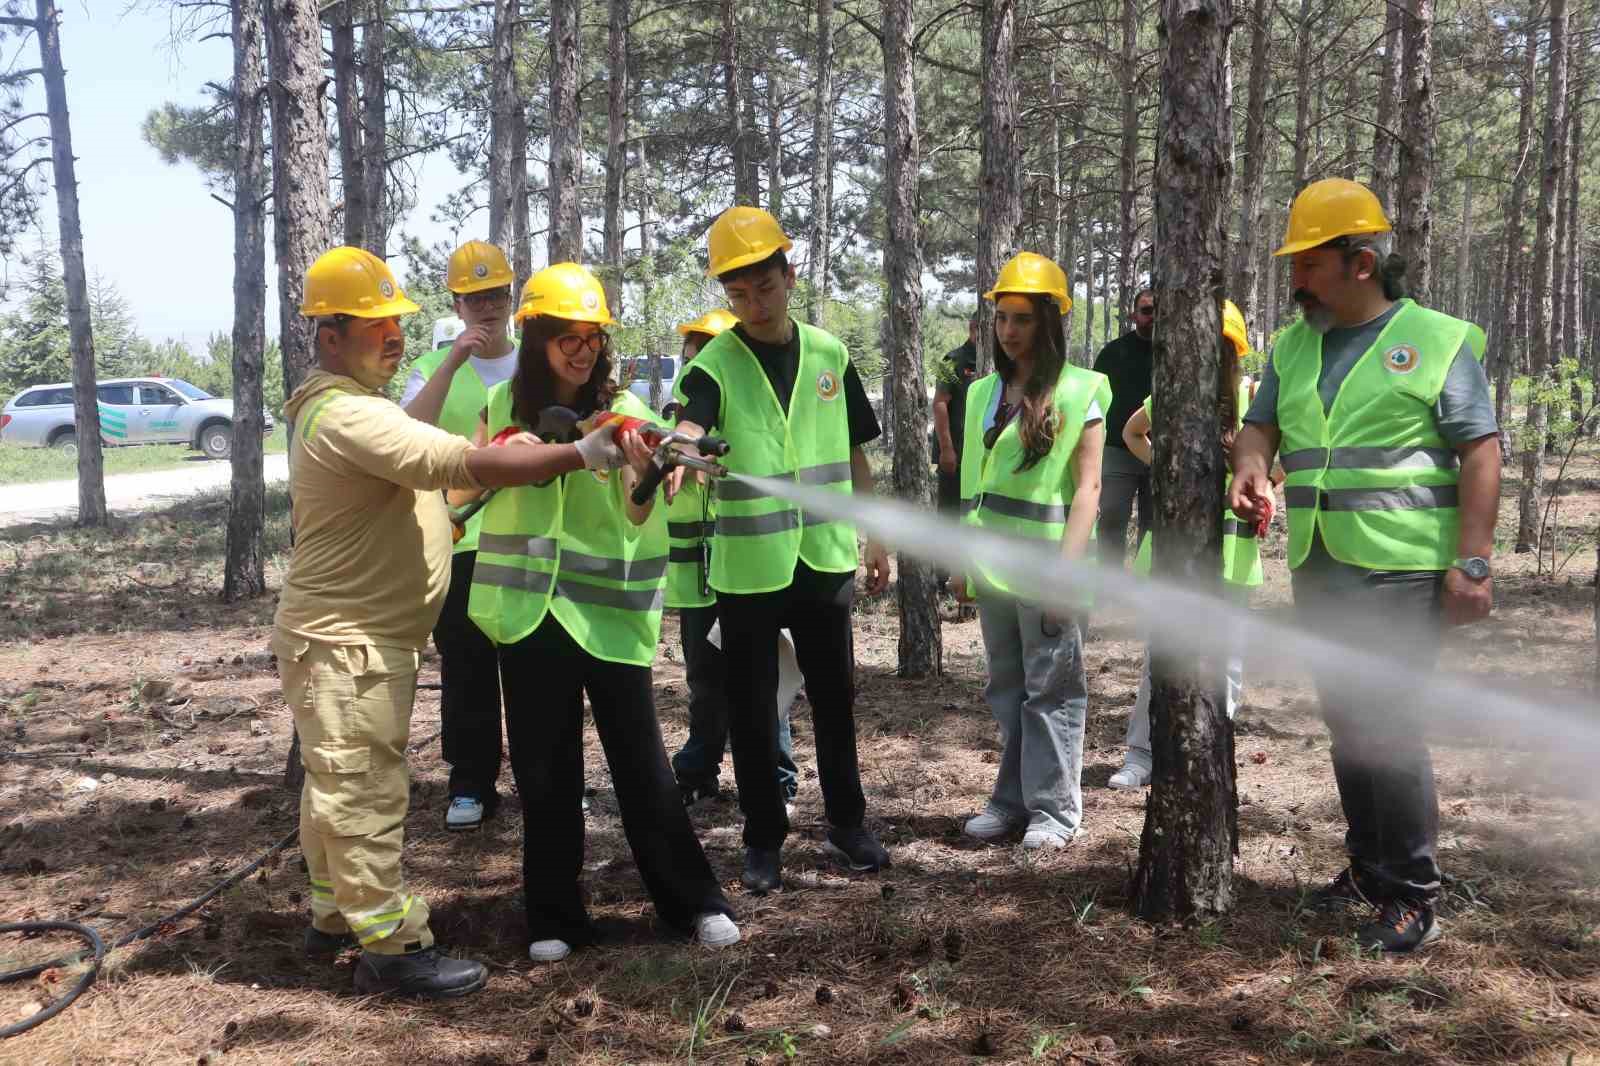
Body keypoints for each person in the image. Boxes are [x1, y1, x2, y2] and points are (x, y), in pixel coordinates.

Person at [274, 246, 624, 998]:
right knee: (363, 789)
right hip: (349, 645)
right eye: (373, 326)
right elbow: (454, 463)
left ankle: (335, 914)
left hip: (356, 640)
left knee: (334, 785)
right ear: (330, 336)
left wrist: (452, 516)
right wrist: (576, 453)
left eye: (396, 322)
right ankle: (394, 946)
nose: (393, 336)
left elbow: (422, 495)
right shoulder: (348, 416)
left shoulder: (346, 409)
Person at [1230, 178, 1499, 953]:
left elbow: (1481, 452)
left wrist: (1472, 564)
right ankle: (1368, 868)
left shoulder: (1439, 339)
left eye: (1309, 263)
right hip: (1319, 559)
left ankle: (1414, 892)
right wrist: (1251, 469)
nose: (1295, 279)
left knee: (1389, 723)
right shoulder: (1293, 345)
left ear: (1361, 261)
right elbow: (1260, 430)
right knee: (1347, 718)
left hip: (1404, 568)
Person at [461, 262, 739, 962]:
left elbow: (640, 507)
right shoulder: (501, 413)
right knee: (543, 772)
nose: (582, 350)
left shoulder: (632, 418)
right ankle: (554, 918)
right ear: (536, 340)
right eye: (565, 337)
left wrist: (652, 468)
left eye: (591, 337)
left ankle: (694, 903)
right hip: (528, 615)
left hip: (608, 616)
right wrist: (530, 450)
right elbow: (477, 469)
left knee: (644, 768)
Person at [671, 205, 893, 893]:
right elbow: (687, 426)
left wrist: (877, 534)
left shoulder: (830, 353)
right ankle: (763, 838)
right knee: (753, 705)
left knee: (835, 698)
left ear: (789, 275)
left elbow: (857, 453)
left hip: (824, 559)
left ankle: (849, 825)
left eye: (763, 287)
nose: (753, 304)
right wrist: (682, 452)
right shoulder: (714, 363)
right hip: (749, 568)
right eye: (737, 294)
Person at [946, 252, 1108, 850]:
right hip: (992, 570)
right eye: (1002, 318)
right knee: (1008, 690)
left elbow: (1089, 489)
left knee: (1052, 692)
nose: (1009, 330)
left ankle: (1056, 810)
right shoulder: (981, 392)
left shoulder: (1080, 389)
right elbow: (971, 488)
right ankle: (1012, 801)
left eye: (1022, 319)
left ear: (1050, 322)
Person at [1108, 299, 1265, 790]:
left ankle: (1212, 746)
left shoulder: (1255, 397)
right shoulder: (1174, 393)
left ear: (1232, 351)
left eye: (1219, 347)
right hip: (1175, 544)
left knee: (1227, 655)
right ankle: (1141, 755)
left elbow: (1285, 455)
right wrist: (1165, 466)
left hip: (1234, 547)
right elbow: (1133, 431)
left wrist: (1262, 482)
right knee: (1163, 652)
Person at [398, 239, 518, 831]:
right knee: (467, 669)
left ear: (511, 295)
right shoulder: (429, 367)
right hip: (458, 540)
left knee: (532, 669)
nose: (487, 309)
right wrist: (451, 361)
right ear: (457, 303)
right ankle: (470, 782)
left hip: (528, 544)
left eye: (495, 294)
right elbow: (404, 434)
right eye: (474, 299)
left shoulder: (533, 364)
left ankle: (546, 777)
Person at [664, 309, 803, 812]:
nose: (699, 358)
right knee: (704, 682)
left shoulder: (757, 434)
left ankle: (777, 780)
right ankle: (699, 771)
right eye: (693, 348)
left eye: (710, 347)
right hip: (698, 585)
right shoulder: (676, 428)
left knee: (763, 683)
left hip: (752, 575)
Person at [1093, 288, 1155, 567]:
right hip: (1118, 449)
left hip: (1162, 451)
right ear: (1134, 315)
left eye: (1158, 310)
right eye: (1146, 310)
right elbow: (1094, 400)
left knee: (1154, 524)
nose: (1153, 316)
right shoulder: (1112, 353)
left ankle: (1148, 587)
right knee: (1111, 519)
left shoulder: (1177, 353)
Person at [932, 313, 981, 519]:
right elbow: (939, 403)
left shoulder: (997, 360)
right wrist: (946, 449)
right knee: (950, 517)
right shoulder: (951, 360)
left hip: (981, 457)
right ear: (972, 328)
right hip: (956, 455)